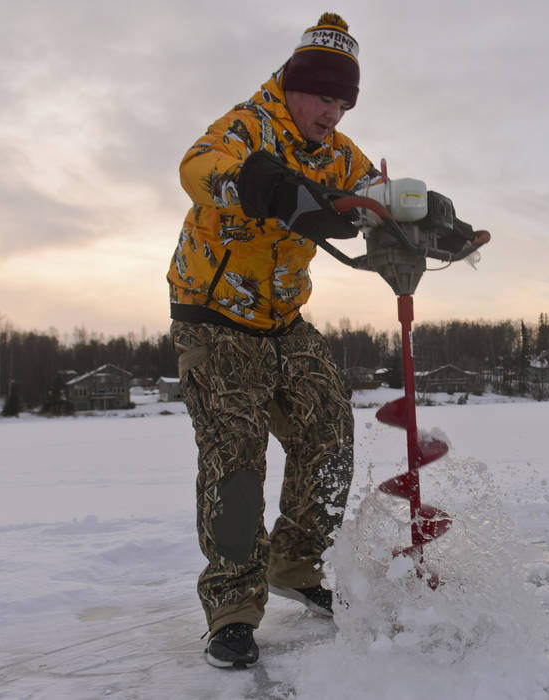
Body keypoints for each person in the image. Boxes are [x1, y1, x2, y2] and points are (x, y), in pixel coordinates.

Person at [166, 13, 380, 668]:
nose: (334, 112)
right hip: (214, 316)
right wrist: (262, 183)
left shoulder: (339, 155)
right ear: (294, 84)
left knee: (330, 433)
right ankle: (231, 610)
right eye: (325, 97)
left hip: (284, 320)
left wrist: (424, 212)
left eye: (345, 101)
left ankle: (296, 563)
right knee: (236, 458)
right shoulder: (246, 127)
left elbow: (375, 194)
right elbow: (197, 166)